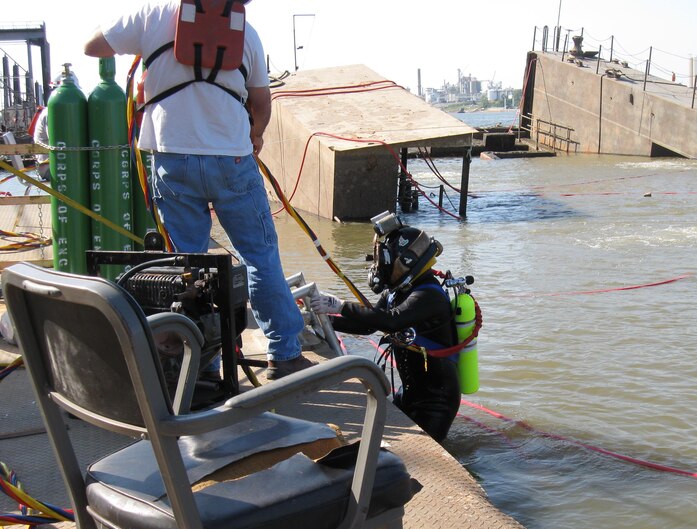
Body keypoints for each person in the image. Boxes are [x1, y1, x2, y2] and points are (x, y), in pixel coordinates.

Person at [84, 0, 312, 380]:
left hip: (172, 161)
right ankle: (285, 354)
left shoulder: (152, 16)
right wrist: (254, 135)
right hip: (232, 160)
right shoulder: (245, 32)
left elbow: (93, 46)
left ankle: (202, 363)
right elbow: (260, 102)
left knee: (190, 266)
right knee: (259, 257)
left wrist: (148, 47)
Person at [311, 217, 461, 442]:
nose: (379, 267)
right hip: (410, 392)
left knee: (424, 451)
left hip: (436, 400)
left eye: (385, 260)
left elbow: (391, 321)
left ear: (407, 261)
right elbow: (370, 324)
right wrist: (324, 321)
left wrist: (341, 305)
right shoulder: (397, 291)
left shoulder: (429, 295)